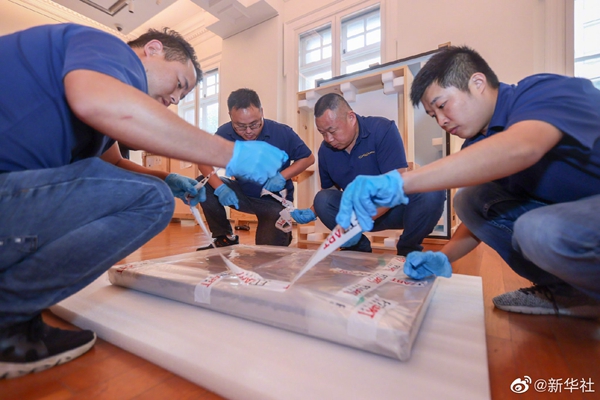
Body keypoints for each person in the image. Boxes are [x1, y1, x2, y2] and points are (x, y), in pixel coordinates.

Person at [0, 24, 287, 379]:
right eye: (179, 84)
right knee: (152, 201)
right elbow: (96, 102)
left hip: (15, 202)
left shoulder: (96, 110)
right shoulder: (104, 48)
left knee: (152, 191)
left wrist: (167, 179)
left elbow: (114, 165)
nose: (175, 99)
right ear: (152, 50)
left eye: (182, 96)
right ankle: (7, 313)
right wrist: (232, 154)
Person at [336, 46, 600, 318]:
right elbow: (480, 222)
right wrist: (443, 257)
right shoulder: (476, 144)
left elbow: (522, 147)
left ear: (477, 83)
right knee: (470, 199)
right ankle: (567, 292)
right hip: (572, 217)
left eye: (442, 105)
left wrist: (400, 183)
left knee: (538, 229)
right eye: (433, 115)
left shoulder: (541, 91)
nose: (441, 121)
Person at [291, 93, 445, 256]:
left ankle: (408, 249)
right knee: (322, 199)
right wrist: (313, 211)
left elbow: (396, 185)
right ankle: (357, 248)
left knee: (432, 190)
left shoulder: (382, 129)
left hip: (394, 210)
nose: (328, 139)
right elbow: (330, 193)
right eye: (322, 133)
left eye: (332, 131)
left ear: (351, 118)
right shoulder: (325, 151)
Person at [196, 88, 314, 248]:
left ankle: (283, 233)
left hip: (273, 202)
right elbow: (202, 160)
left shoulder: (281, 132)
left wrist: (282, 176)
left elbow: (308, 158)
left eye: (254, 124)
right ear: (230, 116)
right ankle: (224, 237)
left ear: (261, 112)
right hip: (243, 195)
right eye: (240, 126)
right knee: (203, 185)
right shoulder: (225, 132)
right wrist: (220, 188)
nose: (248, 131)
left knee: (267, 254)